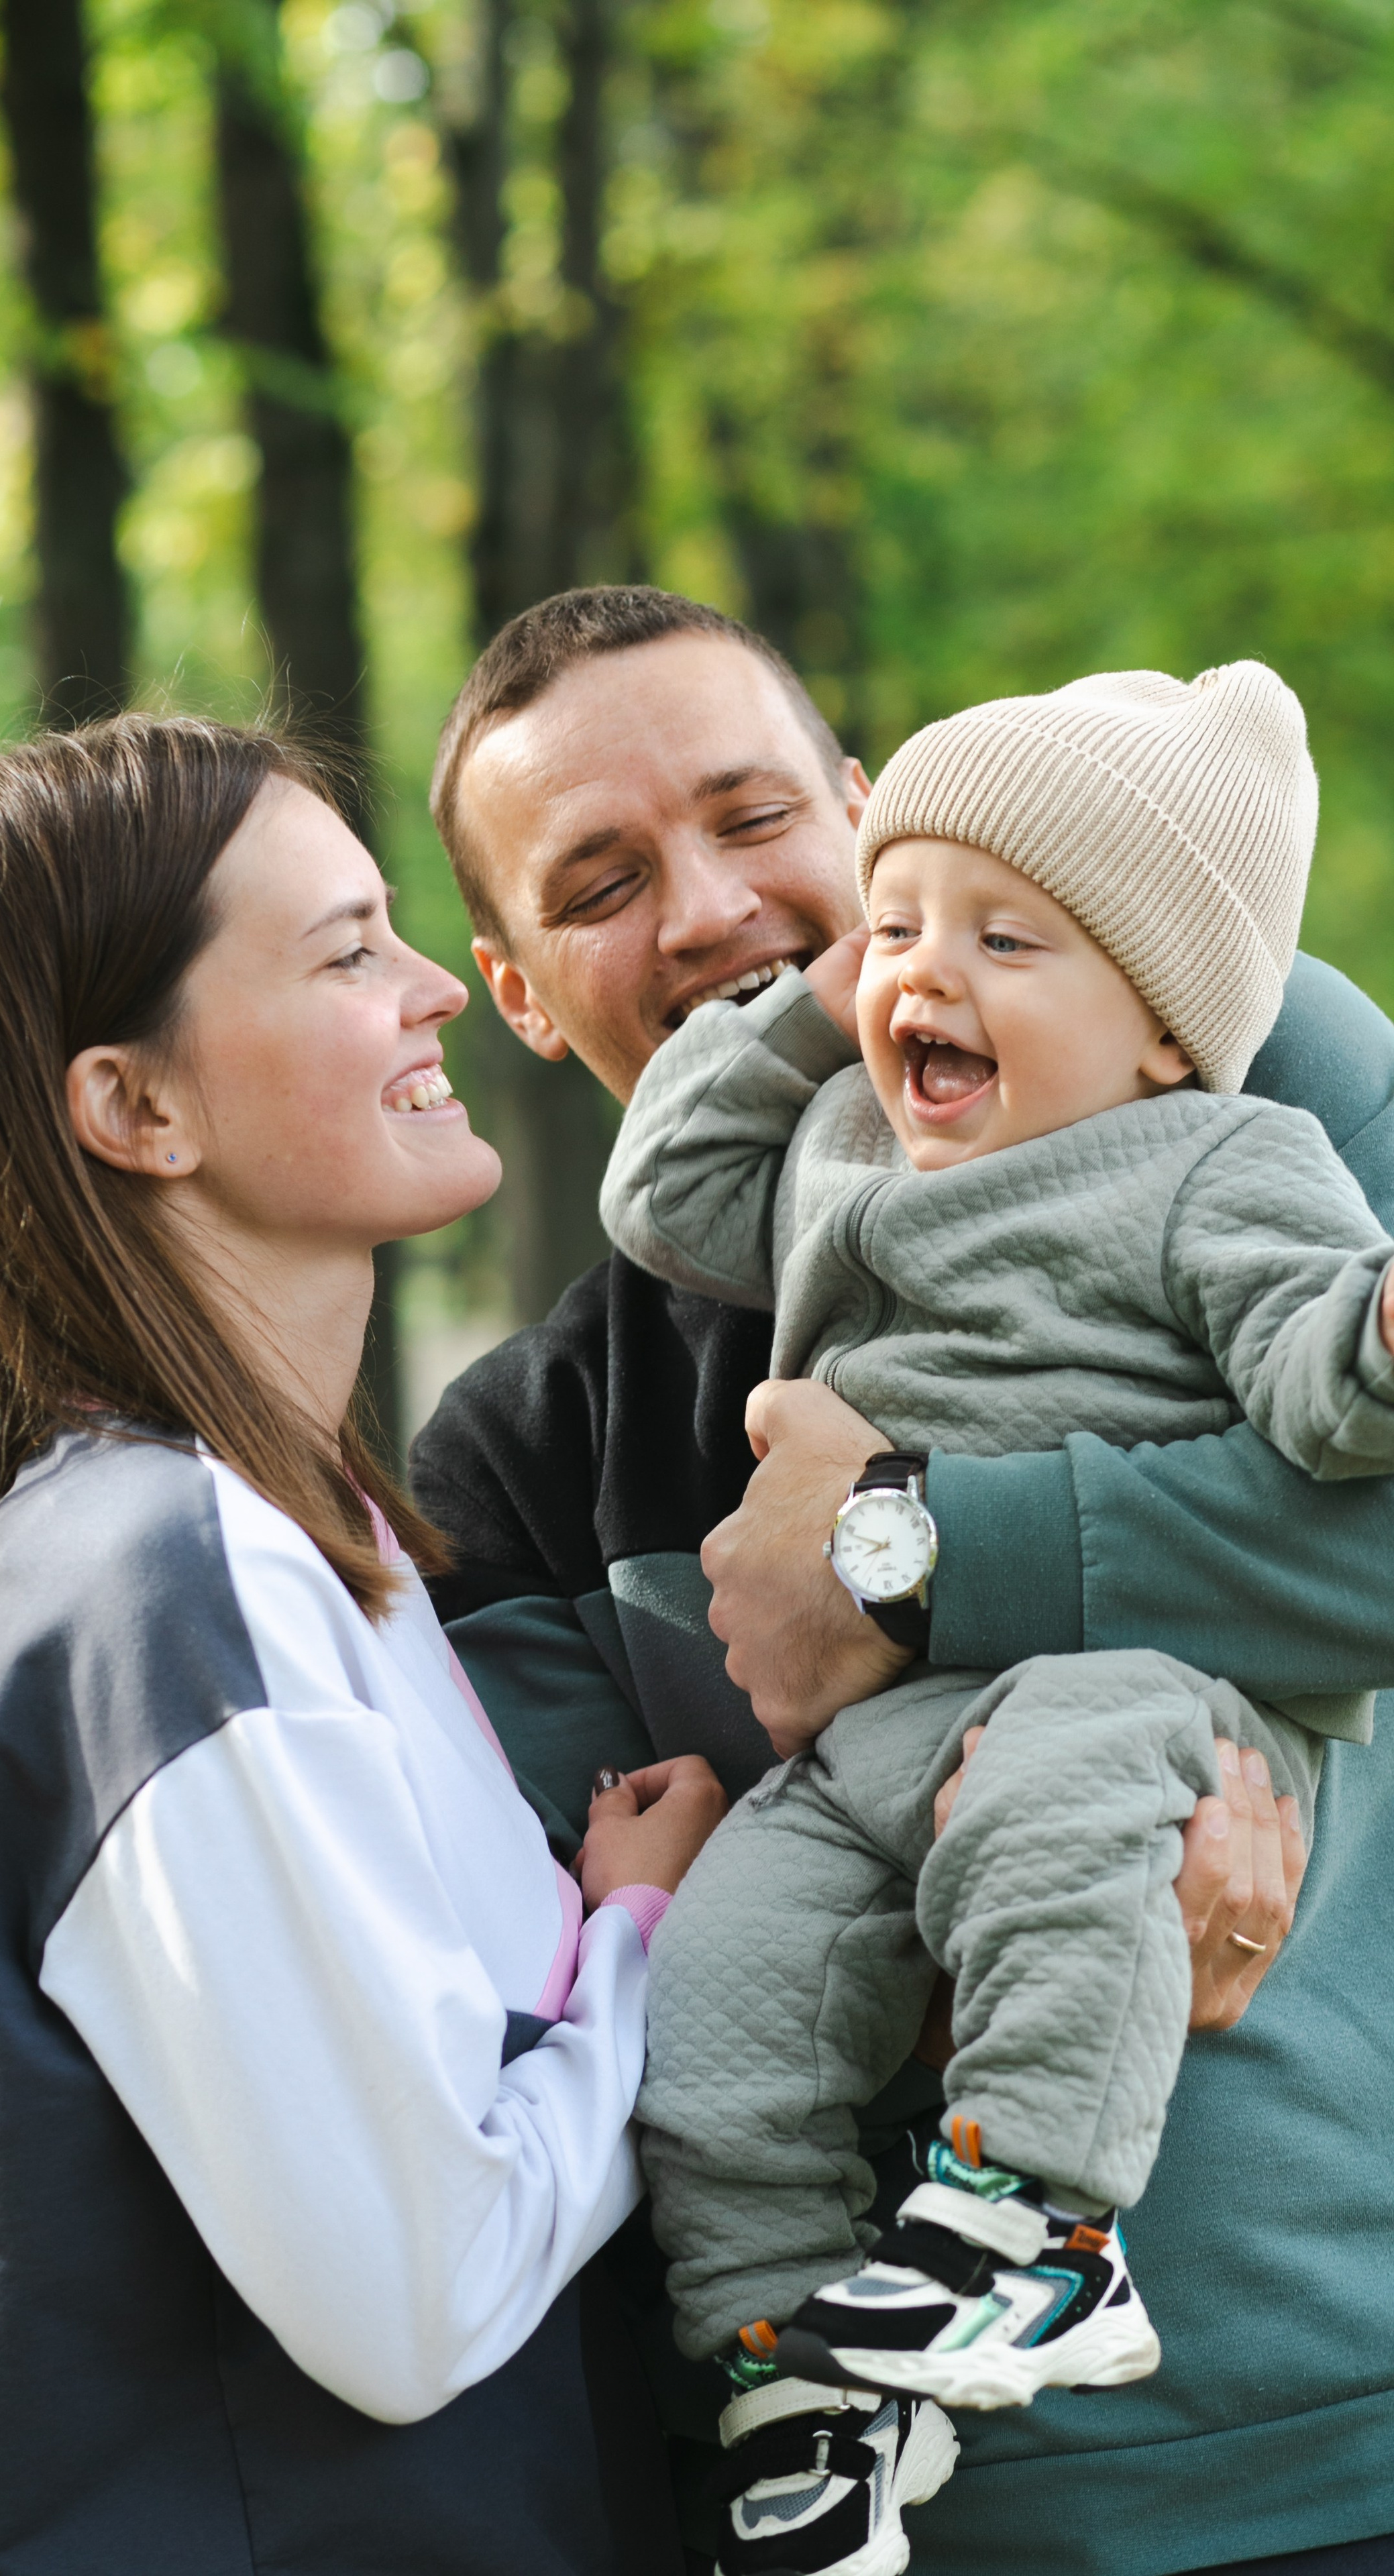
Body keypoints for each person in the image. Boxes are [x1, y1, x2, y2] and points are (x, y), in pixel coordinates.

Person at [410, 586, 1394, 2576]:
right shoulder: (520, 1456)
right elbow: (615, 1979)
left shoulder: (1245, 1064)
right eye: (600, 882)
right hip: (901, 2506)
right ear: (518, 992)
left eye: (755, 816)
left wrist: (904, 1555)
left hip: (1330, 2412)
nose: (700, 911)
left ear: (859, 804)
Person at [0, 712, 729, 2576]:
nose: (434, 994)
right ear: (133, 1109)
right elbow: (420, 2289)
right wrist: (639, 1940)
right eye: (345, 954)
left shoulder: (312, 1544)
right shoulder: (164, 1578)